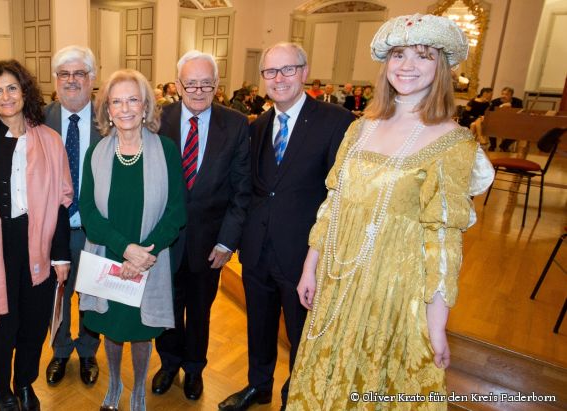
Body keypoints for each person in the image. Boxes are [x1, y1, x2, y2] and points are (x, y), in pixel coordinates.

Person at [287, 14, 493, 409]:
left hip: (396, 288)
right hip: (339, 277)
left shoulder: (453, 143)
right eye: (399, 54)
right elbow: (333, 203)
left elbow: (444, 241)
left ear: (441, 66)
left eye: (423, 55)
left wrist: (437, 326)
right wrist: (310, 266)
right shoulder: (360, 128)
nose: (407, 65)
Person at [218, 43, 354, 411]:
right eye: (270, 72)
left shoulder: (336, 121)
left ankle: (295, 396)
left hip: (303, 253)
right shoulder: (258, 126)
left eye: (287, 69)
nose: (278, 79)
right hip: (257, 249)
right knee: (259, 327)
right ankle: (258, 386)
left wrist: (320, 255)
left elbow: (340, 195)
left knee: (300, 333)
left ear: (304, 72)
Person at [0, 59, 72, 411]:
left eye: (12, 88)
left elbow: (60, 203)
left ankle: (24, 383)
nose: (5, 96)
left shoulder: (50, 140)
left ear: (25, 91)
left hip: (39, 246)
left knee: (33, 326)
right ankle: (2, 391)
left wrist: (61, 255)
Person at [79, 69, 186, 411]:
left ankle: (138, 388)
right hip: (109, 255)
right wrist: (125, 250)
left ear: (145, 107)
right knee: (111, 328)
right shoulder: (96, 153)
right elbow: (88, 212)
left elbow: (177, 210)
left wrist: (143, 255)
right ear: (107, 110)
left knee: (141, 330)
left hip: (150, 259)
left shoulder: (166, 150)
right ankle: (115, 383)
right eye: (117, 102)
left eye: (132, 100)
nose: (125, 108)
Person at [152, 50, 250, 401]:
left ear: (217, 85)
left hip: (210, 244)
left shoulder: (236, 124)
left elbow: (242, 190)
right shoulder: (157, 120)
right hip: (164, 241)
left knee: (199, 311)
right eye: (190, 84)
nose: (198, 91)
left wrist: (227, 242)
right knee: (166, 308)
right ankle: (168, 362)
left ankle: (194, 368)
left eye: (206, 84)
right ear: (178, 85)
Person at [42, 46, 103, 387]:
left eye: (79, 73)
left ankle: (89, 350)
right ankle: (61, 349)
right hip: (53, 228)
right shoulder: (39, 119)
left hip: (96, 229)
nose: (71, 80)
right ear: (55, 80)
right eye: (64, 74)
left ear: (92, 78)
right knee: (58, 293)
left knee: (91, 294)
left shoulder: (109, 119)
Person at [488, 86, 524, 151]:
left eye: (506, 94)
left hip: (512, 123)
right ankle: (493, 146)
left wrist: (510, 107)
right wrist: (501, 106)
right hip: (497, 122)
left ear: (511, 95)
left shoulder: (518, 102)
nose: (503, 96)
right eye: (502, 94)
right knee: (491, 127)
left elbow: (520, 113)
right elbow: (490, 113)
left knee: (519, 131)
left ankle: (504, 145)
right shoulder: (495, 102)